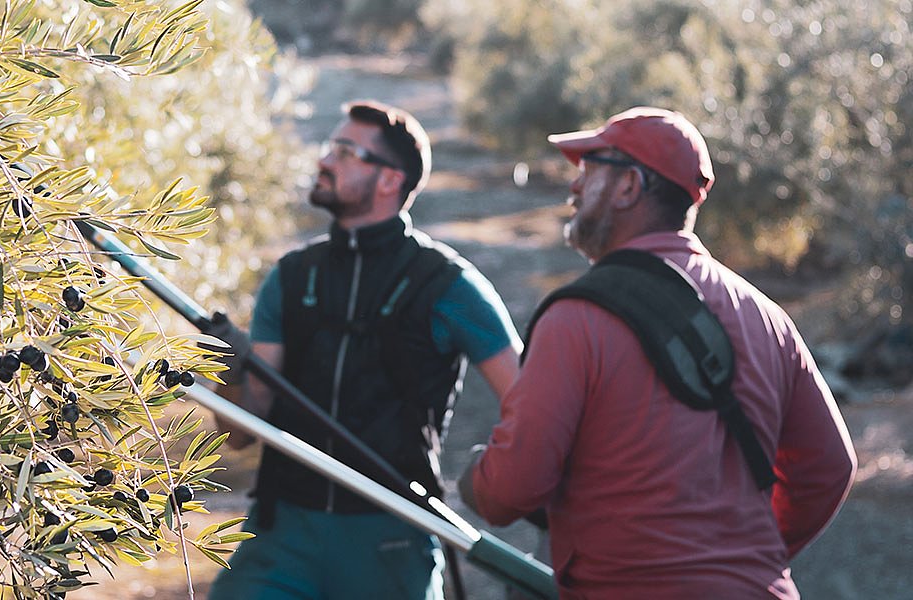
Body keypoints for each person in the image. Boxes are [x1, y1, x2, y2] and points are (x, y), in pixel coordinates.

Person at [459, 107, 857, 599]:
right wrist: (741, 560)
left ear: (629, 186)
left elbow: (511, 489)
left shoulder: (576, 318)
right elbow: (830, 466)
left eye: (588, 170)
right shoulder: (768, 317)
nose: (574, 188)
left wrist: (472, 478)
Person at [203, 100, 523, 600]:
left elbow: (528, 402)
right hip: (282, 533)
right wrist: (229, 368)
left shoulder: (449, 285)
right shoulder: (291, 277)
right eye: (331, 147)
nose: (325, 161)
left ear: (390, 180)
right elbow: (244, 432)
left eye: (346, 152)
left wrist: (498, 482)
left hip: (392, 535)